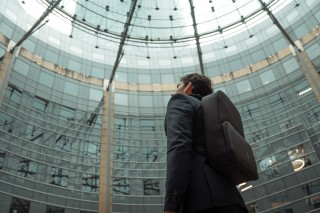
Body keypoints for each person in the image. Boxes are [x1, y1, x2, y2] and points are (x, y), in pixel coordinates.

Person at [164, 73, 248, 213]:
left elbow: (179, 148)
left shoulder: (180, 100)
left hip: (201, 200)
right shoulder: (211, 112)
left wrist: (171, 204)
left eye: (178, 86)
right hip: (232, 198)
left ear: (188, 87)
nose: (173, 92)